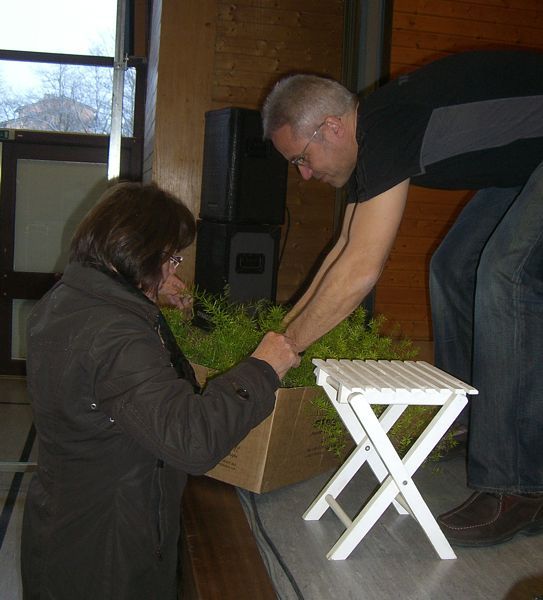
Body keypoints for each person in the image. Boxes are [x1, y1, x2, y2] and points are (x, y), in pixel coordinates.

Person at [261, 49, 543, 547]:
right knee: (452, 266)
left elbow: (360, 272)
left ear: (331, 127)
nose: (302, 175)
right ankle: (477, 425)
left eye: (300, 159)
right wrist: (282, 334)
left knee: (505, 274)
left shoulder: (387, 126)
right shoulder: (369, 138)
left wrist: (285, 354)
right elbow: (341, 251)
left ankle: (516, 487)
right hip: (529, 161)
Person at [20, 181, 299, 599]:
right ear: (137, 249)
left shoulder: (68, 299)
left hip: (67, 529)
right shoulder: (115, 331)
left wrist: (147, 295)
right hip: (108, 557)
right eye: (170, 257)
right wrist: (263, 368)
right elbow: (191, 441)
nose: (174, 269)